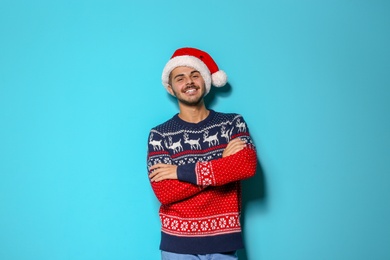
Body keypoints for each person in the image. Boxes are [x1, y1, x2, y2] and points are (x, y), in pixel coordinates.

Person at [147, 47, 257, 260]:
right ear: (171, 88)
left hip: (224, 239)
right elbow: (165, 191)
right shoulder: (159, 134)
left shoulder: (232, 123)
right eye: (180, 78)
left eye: (194, 75)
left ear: (205, 81)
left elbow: (246, 165)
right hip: (177, 242)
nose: (188, 82)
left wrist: (179, 171)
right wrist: (223, 163)